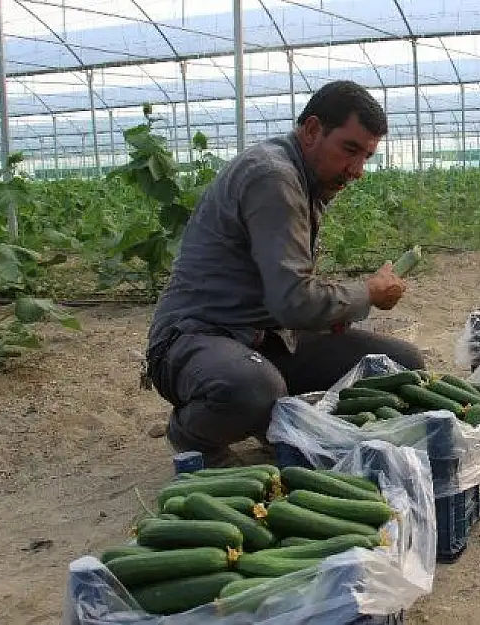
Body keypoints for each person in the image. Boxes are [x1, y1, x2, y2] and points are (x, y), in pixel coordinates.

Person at [145, 80, 426, 468]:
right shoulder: (273, 176)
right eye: (349, 149)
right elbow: (294, 300)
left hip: (265, 339)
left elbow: (289, 294)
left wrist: (337, 313)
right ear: (311, 130)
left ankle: (272, 422)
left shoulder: (306, 179)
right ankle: (192, 433)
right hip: (197, 339)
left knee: (398, 363)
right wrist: (368, 292)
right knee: (251, 388)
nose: (357, 170)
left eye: (366, 156)